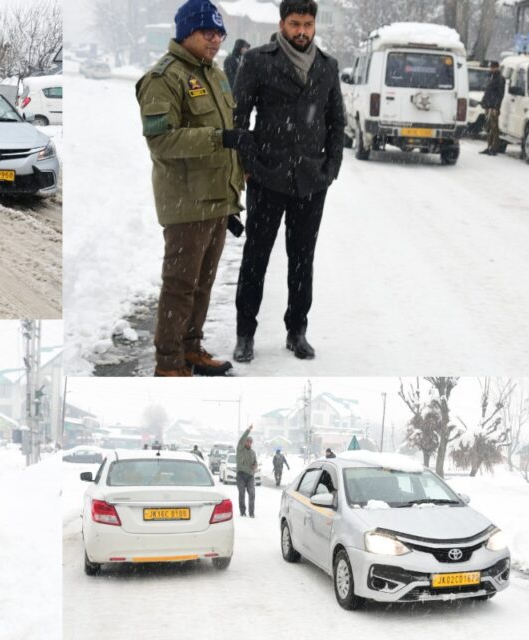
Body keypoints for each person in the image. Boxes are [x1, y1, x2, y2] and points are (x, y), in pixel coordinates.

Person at [227, 0, 345, 365]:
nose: (302, 32)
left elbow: (336, 122)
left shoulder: (327, 67)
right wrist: (249, 163)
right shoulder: (258, 60)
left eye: (308, 24)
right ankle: (245, 333)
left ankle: (297, 331)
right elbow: (239, 116)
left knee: (302, 260)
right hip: (267, 176)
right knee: (256, 257)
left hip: (311, 181)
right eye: (295, 23)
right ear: (282, 23)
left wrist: (331, 168)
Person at [136, 0, 243, 377]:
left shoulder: (214, 74)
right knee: (181, 285)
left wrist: (235, 188)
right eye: (207, 33)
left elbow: (230, 135)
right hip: (186, 201)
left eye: (219, 34)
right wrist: (217, 138)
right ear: (186, 33)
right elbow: (161, 141)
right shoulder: (163, 78)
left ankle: (191, 349)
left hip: (216, 198)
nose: (215, 41)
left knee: (202, 284)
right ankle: (168, 363)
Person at [479, 61, 505, 156]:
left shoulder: (500, 79)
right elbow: (487, 92)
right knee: (489, 127)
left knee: (494, 128)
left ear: (497, 68)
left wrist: (496, 107)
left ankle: (494, 148)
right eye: (491, 67)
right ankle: (489, 146)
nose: (491, 69)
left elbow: (500, 94)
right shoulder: (491, 77)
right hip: (488, 105)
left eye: (493, 67)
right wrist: (484, 102)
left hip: (494, 106)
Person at [235, 426, 258, 517]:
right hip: (241, 475)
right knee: (242, 493)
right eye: (247, 441)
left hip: (250, 476)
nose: (249, 443)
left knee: (252, 493)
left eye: (250, 442)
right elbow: (241, 439)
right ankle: (242, 511)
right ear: (245, 442)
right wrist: (248, 430)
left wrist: (255, 465)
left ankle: (251, 513)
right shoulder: (240, 449)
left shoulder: (253, 452)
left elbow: (255, 462)